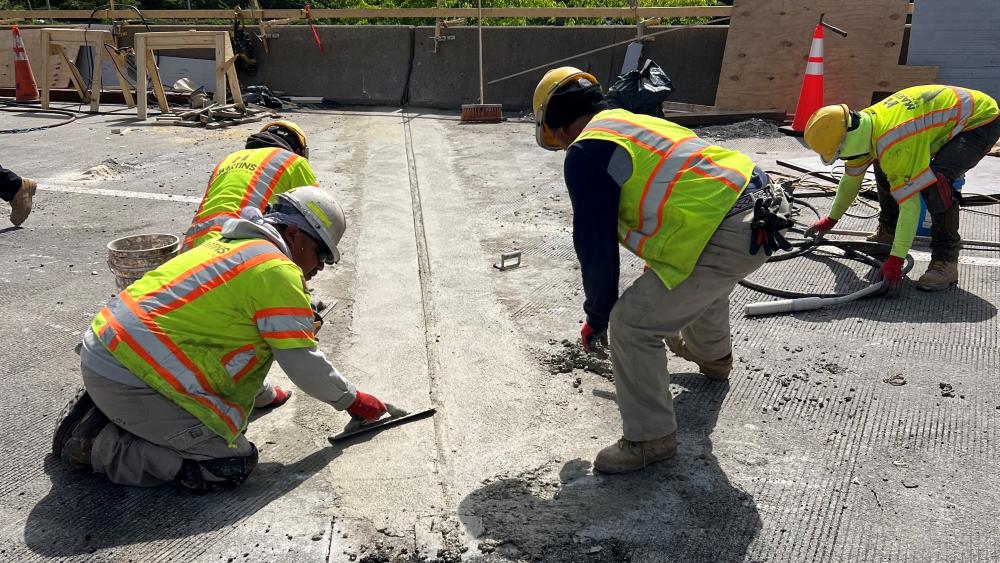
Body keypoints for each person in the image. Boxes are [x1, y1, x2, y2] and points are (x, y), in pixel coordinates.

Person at [531, 67, 789, 474]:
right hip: (763, 206)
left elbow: (595, 246)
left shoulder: (586, 151)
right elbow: (680, 191)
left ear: (557, 125)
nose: (561, 145)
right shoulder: (632, 122)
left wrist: (598, 317)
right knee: (696, 278)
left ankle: (650, 438)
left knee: (631, 324)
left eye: (555, 137)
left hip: (727, 231)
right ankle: (715, 360)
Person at [53, 186, 391, 491]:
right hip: (130, 377)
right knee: (228, 463)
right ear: (293, 234)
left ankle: (109, 410)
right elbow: (301, 359)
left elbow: (223, 335)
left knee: (217, 425)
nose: (320, 267)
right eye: (321, 254)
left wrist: (261, 395)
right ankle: (95, 443)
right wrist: (352, 399)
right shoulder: (276, 270)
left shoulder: (230, 244)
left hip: (110, 353)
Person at [802, 85, 1000, 291]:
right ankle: (888, 232)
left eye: (838, 155)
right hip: (942, 117)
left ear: (845, 144)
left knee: (935, 181)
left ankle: (946, 261)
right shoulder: (861, 127)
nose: (841, 160)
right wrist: (830, 220)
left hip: (980, 121)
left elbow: (910, 205)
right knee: (882, 160)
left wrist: (896, 261)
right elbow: (851, 180)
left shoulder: (895, 141)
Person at [182, 120, 317, 251]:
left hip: (193, 245)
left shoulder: (228, 159)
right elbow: (318, 213)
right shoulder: (294, 161)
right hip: (238, 244)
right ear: (299, 150)